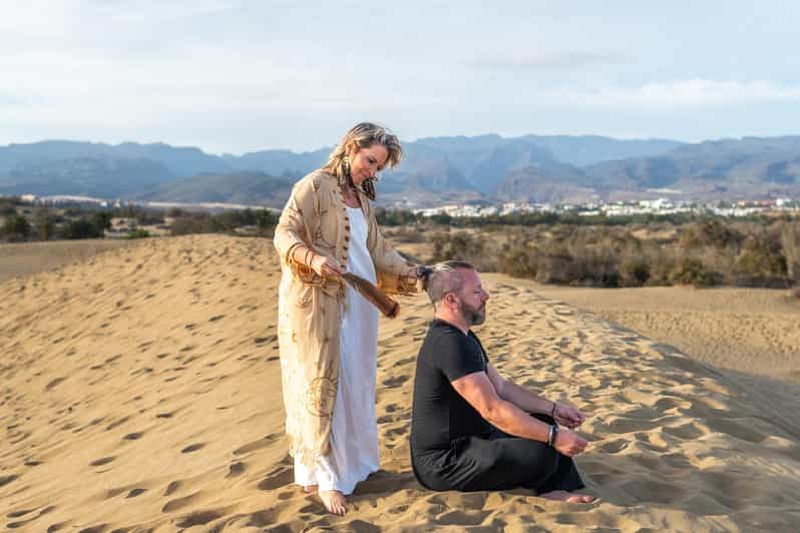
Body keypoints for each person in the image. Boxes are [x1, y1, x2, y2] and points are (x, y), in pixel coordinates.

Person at [273, 122, 420, 515]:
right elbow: (284, 233)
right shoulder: (314, 185)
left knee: (355, 381)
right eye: (369, 161)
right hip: (318, 304)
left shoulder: (362, 199)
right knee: (323, 384)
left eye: (378, 167)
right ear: (351, 147)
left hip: (359, 306)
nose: (371, 171)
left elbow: (377, 251)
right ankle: (326, 478)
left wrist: (415, 273)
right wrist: (312, 259)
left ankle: (355, 466)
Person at [410, 261, 595, 503]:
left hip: (476, 438)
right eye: (477, 291)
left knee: (544, 422)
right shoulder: (448, 344)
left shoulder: (464, 336)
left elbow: (502, 388)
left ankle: (552, 486)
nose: (485, 296)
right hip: (445, 461)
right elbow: (492, 410)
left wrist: (554, 409)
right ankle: (551, 486)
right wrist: (554, 437)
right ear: (452, 300)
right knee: (542, 450)